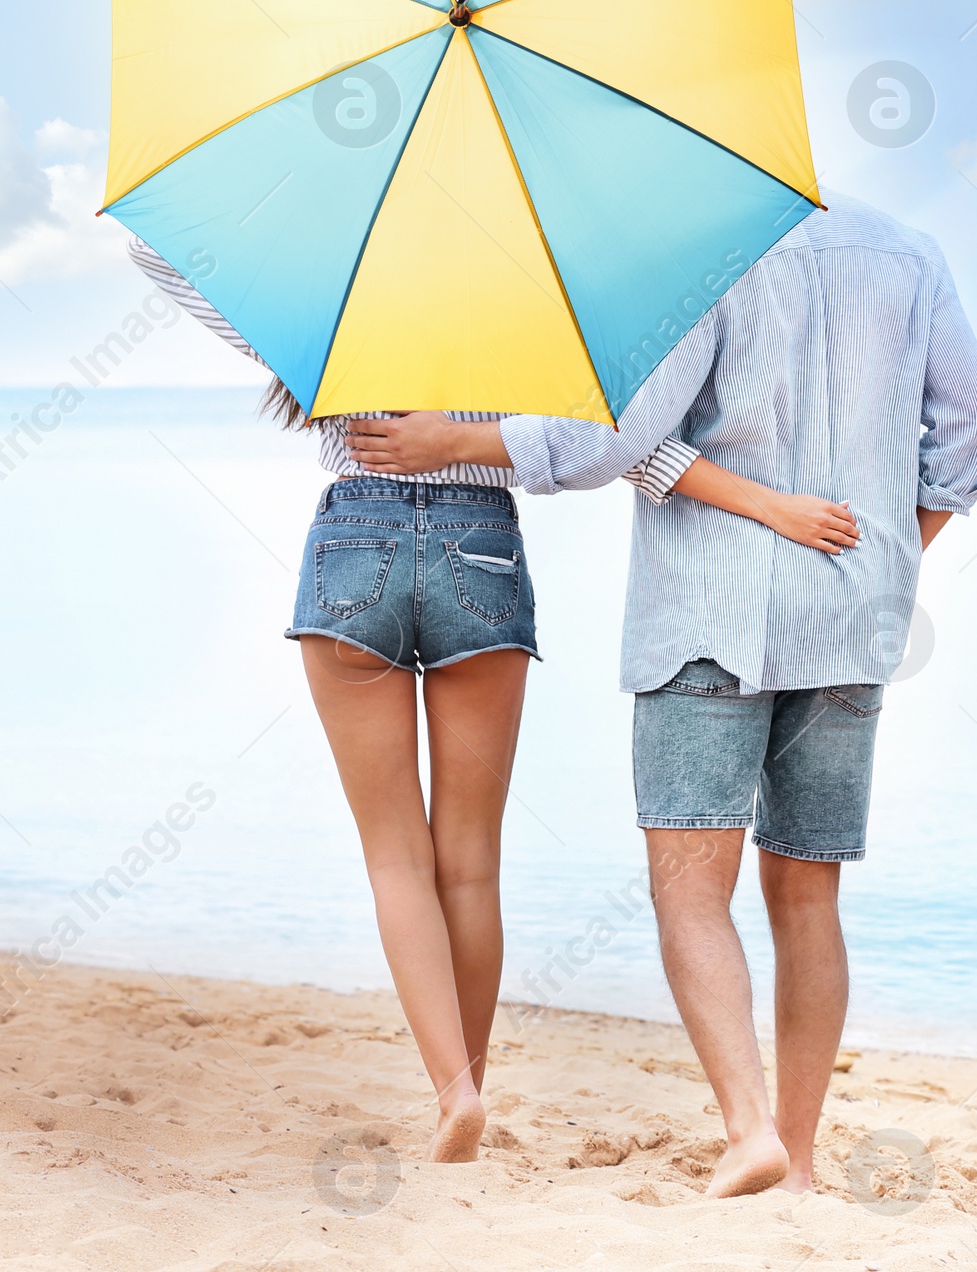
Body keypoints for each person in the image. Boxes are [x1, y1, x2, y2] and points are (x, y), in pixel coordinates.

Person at [126, 235, 846, 1165]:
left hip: (356, 543)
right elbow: (623, 449)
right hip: (483, 550)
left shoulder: (332, 316)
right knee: (469, 860)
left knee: (395, 859)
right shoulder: (529, 310)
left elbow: (164, 258)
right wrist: (772, 506)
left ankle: (451, 1093)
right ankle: (467, 1090)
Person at [348, 190, 977, 1197]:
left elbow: (619, 437)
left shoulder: (701, 256)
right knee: (808, 891)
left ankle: (747, 1130)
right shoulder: (909, 254)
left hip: (709, 615)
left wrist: (458, 444)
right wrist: (892, 561)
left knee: (692, 892)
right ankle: (800, 1156)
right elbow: (970, 429)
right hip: (849, 622)